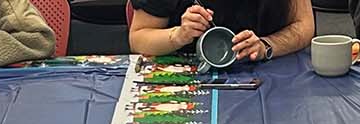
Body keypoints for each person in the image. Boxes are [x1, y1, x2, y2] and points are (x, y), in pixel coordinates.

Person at [128, 0, 313, 62]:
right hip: (186, 78)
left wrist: (267, 45)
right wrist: (177, 36)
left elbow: (304, 25)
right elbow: (139, 37)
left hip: (267, 75)